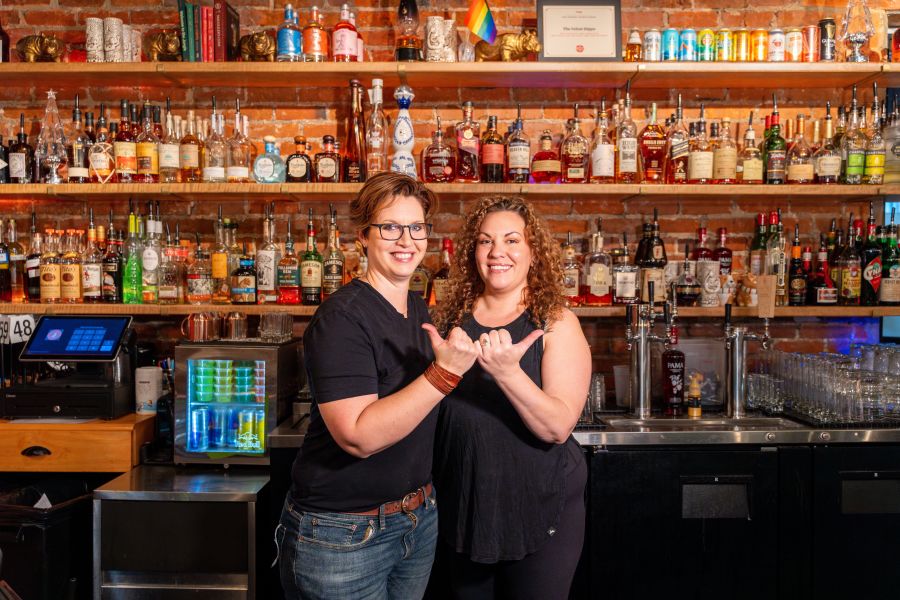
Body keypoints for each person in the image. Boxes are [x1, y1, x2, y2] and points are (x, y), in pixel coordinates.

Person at [277, 172, 480, 600]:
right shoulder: (342, 318)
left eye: (416, 227)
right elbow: (358, 436)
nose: (405, 240)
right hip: (343, 535)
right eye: (390, 227)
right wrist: (445, 375)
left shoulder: (415, 305)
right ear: (363, 236)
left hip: (415, 518)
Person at [432, 196, 592, 600]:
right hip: (465, 502)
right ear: (474, 252)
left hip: (539, 500)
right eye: (485, 241)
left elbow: (557, 427)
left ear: (533, 252)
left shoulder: (555, 322)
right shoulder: (450, 321)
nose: (497, 252)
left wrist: (507, 373)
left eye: (511, 240)